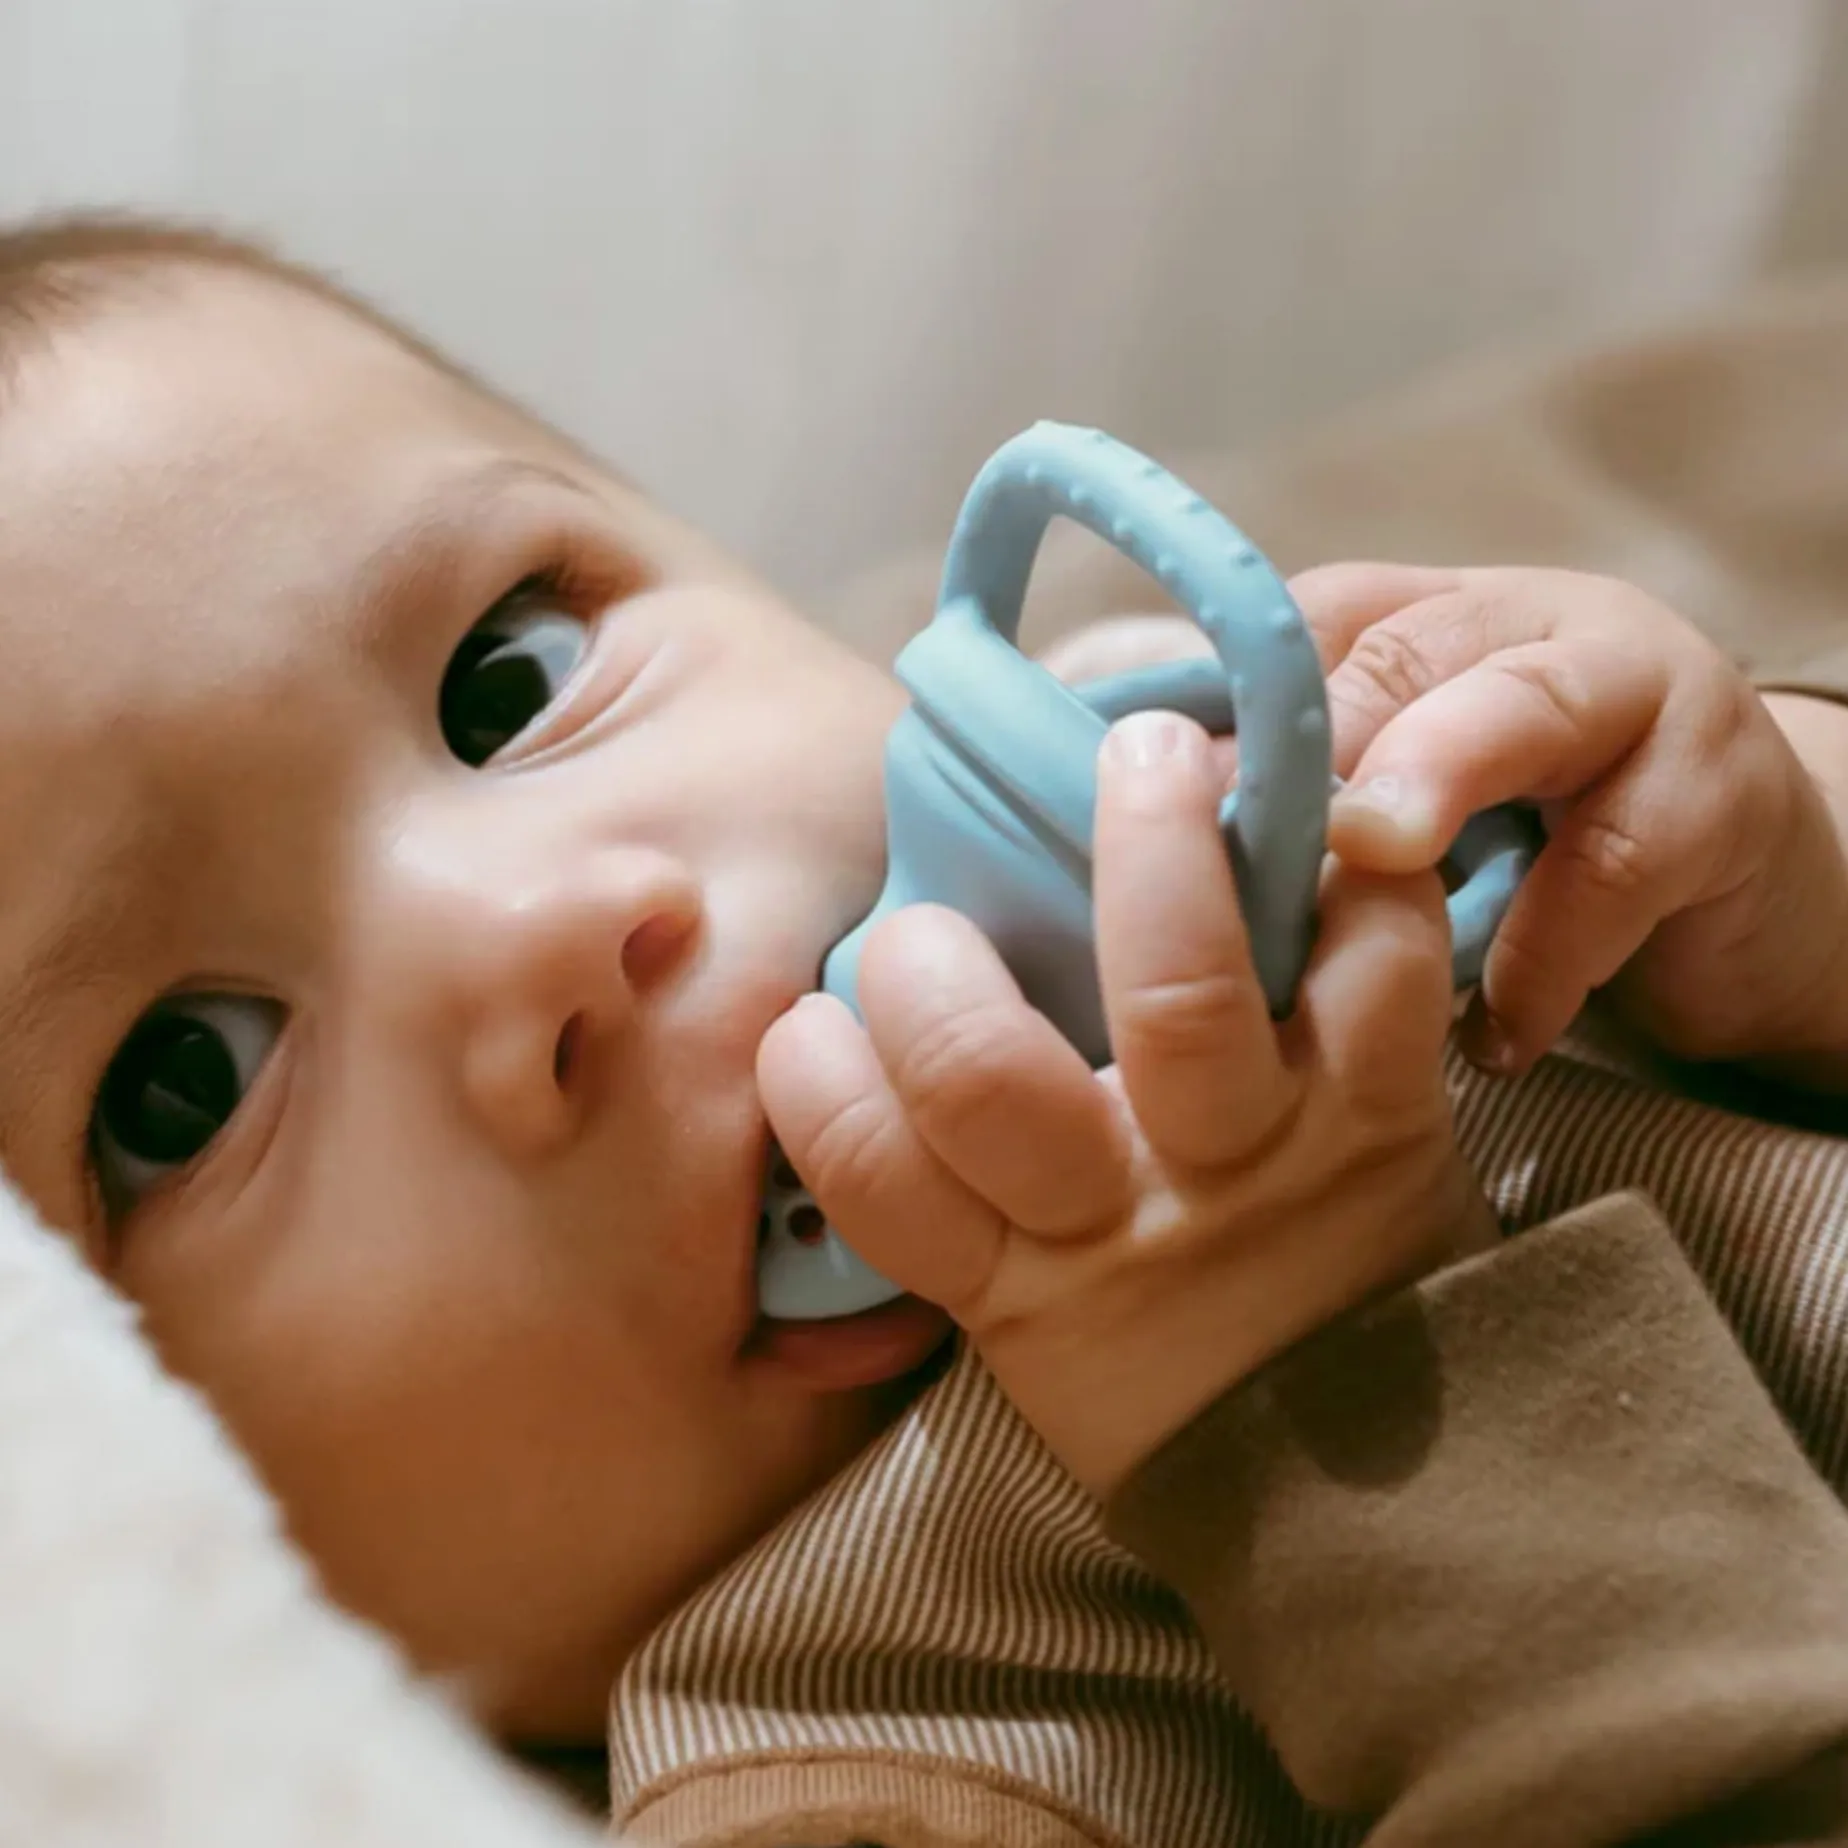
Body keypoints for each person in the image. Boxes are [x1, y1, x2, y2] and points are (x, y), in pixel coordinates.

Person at [3, 214, 1848, 1846]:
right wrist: (1330, 1381)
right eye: (187, 1082)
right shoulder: (864, 1774)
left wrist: (1788, 863)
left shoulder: (1214, 786)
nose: (541, 931)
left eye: (508, 679)